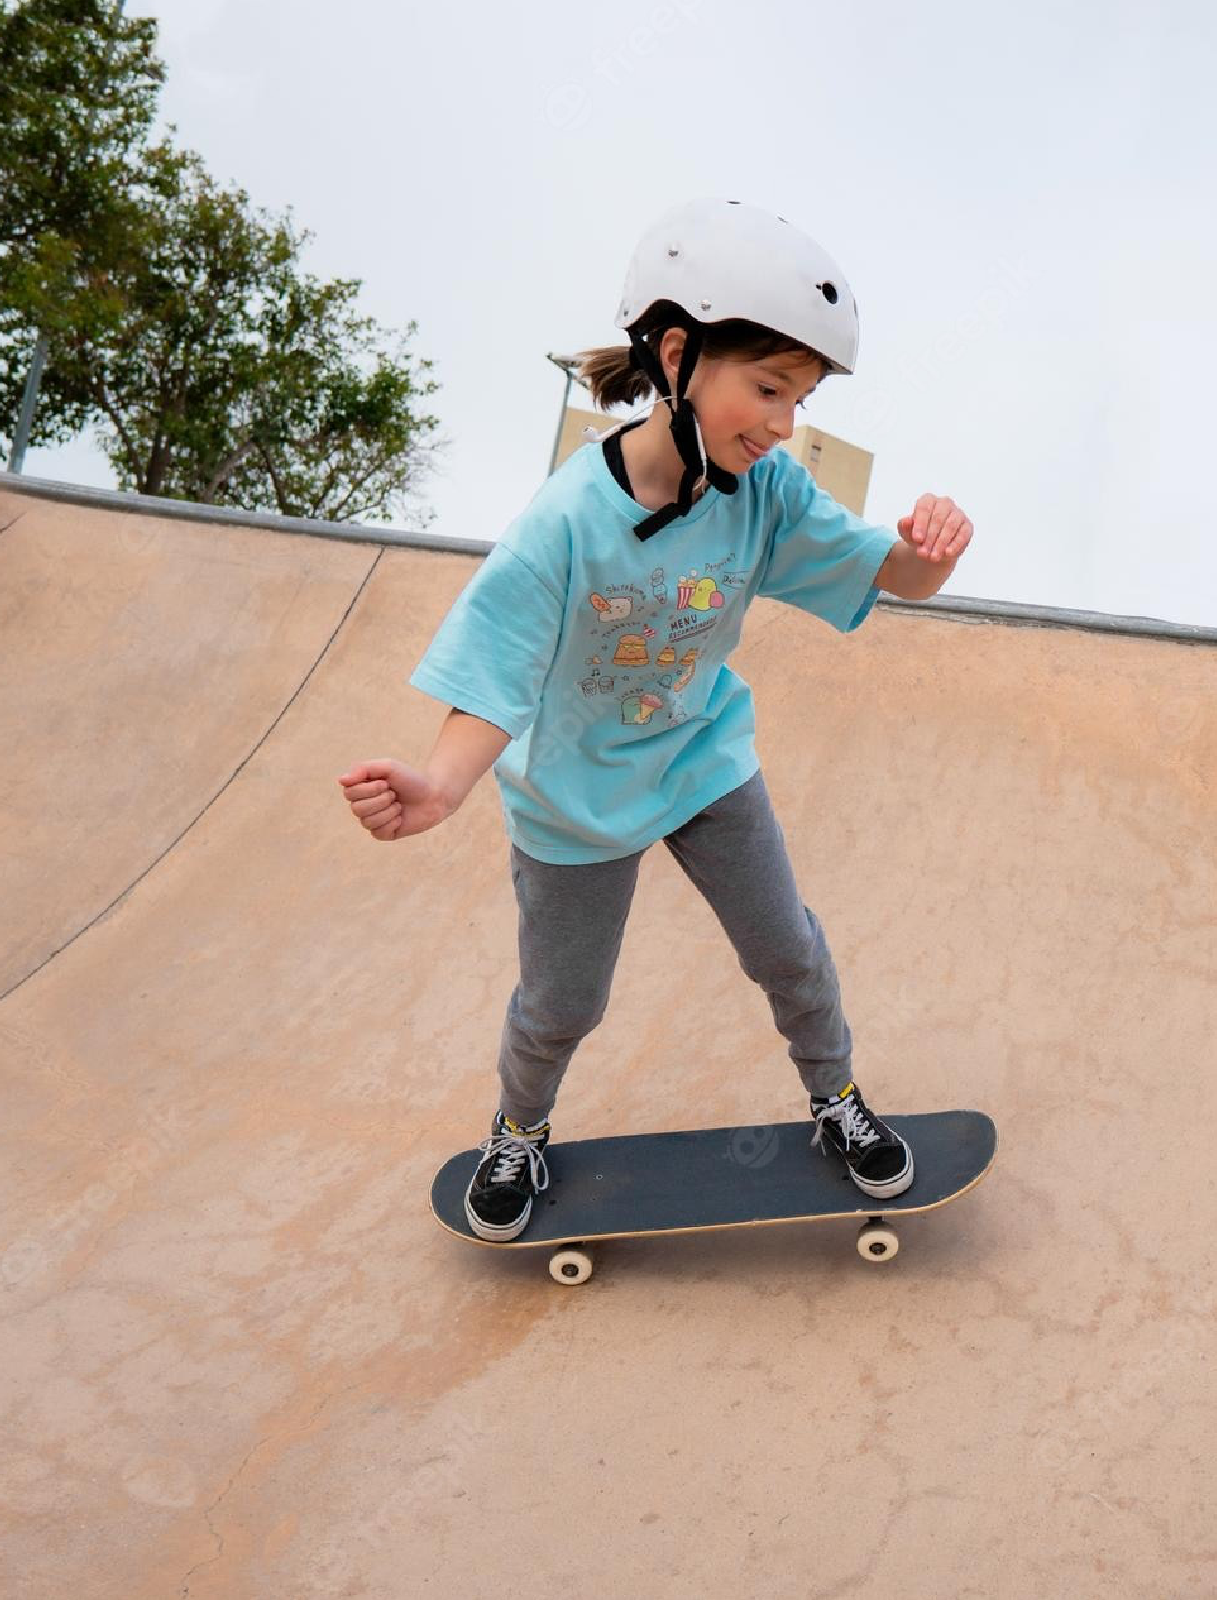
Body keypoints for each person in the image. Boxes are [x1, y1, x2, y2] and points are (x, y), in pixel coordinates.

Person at [337, 198, 974, 1242]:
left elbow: (889, 573)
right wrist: (441, 786)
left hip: (701, 760)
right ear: (676, 355)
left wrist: (932, 556)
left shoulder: (766, 492)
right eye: (766, 389)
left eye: (799, 399)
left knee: (788, 950)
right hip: (574, 796)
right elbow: (495, 671)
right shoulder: (562, 523)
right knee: (563, 1005)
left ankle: (836, 1100)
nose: (780, 426)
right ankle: (519, 1130)